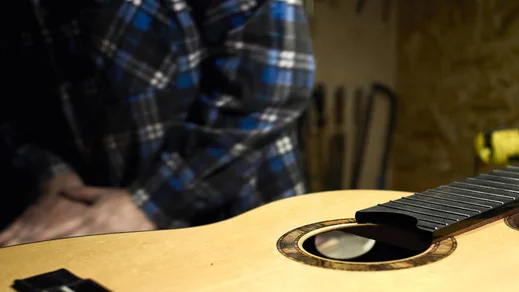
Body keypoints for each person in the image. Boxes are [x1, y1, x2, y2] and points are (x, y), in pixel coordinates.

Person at [0, 0, 315, 247]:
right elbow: (15, 106)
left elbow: (272, 84)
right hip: (89, 230)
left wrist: (148, 203)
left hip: (237, 224)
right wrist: (54, 178)